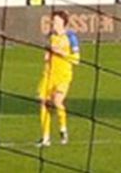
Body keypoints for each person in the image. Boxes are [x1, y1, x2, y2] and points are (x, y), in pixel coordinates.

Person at [37, 11, 80, 147]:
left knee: (57, 102)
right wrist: (47, 55)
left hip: (63, 75)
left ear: (63, 22)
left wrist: (60, 52)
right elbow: (46, 56)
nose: (53, 24)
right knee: (44, 104)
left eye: (56, 21)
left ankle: (62, 128)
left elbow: (77, 59)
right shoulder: (50, 36)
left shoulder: (71, 37)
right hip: (49, 75)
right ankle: (45, 138)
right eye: (53, 21)